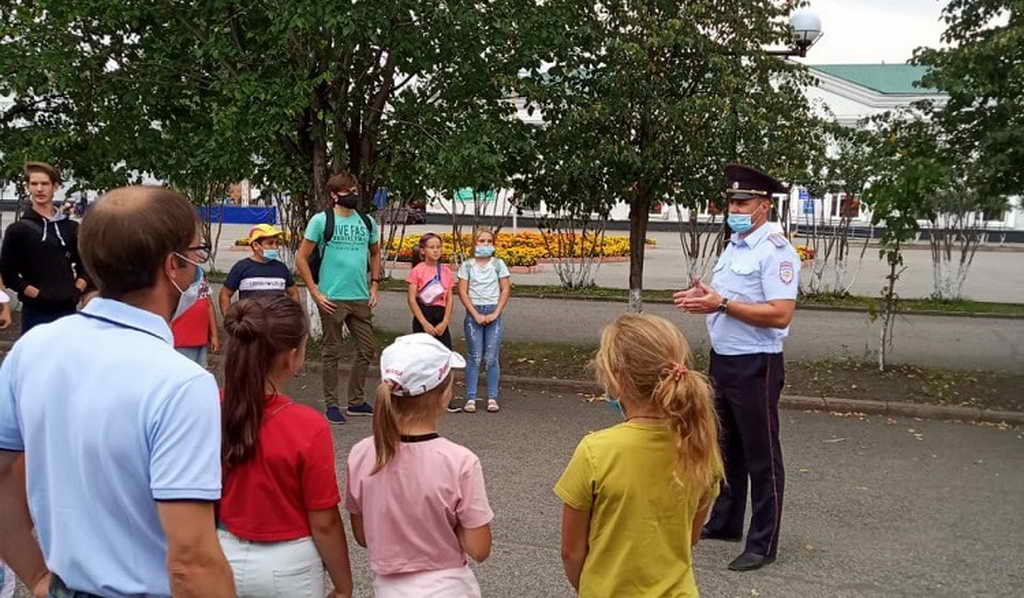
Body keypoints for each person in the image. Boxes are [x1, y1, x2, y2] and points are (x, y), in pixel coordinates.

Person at [0, 186, 234, 598]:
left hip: (64, 586)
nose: (199, 263)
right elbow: (192, 560)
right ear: (172, 266)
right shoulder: (182, 383)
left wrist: (36, 574)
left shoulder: (33, 350)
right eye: (197, 252)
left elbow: (2, 474)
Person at [673, 163, 800, 572]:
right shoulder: (736, 245)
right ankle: (727, 521)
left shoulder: (775, 251)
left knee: (762, 455)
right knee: (726, 448)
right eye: (731, 202)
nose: (735, 208)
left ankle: (763, 542)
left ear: (764, 206)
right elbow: (726, 298)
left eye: (743, 202)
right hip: (723, 360)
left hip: (756, 366)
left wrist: (722, 304)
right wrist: (706, 297)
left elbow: (780, 314)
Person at [554, 313, 723, 597]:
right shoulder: (701, 448)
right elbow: (689, 538)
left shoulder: (596, 451)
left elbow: (571, 552)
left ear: (616, 379)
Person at [218, 296, 353, 598]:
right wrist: (344, 585)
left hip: (219, 550)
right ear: (292, 357)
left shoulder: (207, 407)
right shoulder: (308, 425)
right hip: (289, 563)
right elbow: (325, 520)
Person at [346, 334, 493, 597]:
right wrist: (448, 524)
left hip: (388, 589)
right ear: (444, 395)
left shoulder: (362, 454)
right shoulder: (460, 462)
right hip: (449, 587)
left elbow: (363, 536)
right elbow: (480, 548)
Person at [295, 172, 381, 426]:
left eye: (354, 189)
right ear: (334, 195)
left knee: (367, 348)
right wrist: (315, 292)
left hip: (360, 296)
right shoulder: (322, 221)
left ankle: (356, 402)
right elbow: (301, 258)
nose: (352, 194)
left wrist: (375, 285)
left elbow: (375, 254)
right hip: (332, 297)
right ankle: (332, 404)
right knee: (331, 352)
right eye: (347, 191)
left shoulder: (367, 222)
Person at [0, 162, 90, 336]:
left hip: (68, 311)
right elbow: (7, 272)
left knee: (66, 360)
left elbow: (85, 265)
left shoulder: (71, 228)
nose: (39, 189)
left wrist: (76, 289)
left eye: (45, 184)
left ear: (55, 186)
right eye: (34, 184)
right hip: (35, 312)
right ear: (28, 187)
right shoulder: (18, 230)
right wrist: (36, 294)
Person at [456, 228, 511, 414]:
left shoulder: (498, 264)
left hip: (493, 311)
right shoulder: (467, 266)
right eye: (481, 241)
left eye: (489, 241)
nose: (485, 244)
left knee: (491, 357)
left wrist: (496, 312)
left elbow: (505, 289)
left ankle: (492, 397)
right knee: (474, 357)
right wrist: (474, 314)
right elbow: (462, 291)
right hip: (474, 313)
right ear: (475, 243)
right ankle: (471, 397)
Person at [219, 224, 299, 316]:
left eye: (277, 243)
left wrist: (292, 317)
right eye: (270, 243)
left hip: (277, 326)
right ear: (256, 245)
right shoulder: (241, 267)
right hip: (250, 326)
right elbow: (225, 294)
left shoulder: (282, 268)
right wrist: (229, 321)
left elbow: (294, 293)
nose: (275, 247)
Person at [405, 232, 455, 349]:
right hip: (423, 315)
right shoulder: (417, 271)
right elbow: (411, 299)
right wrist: (424, 323)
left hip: (440, 316)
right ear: (423, 251)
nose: (436, 250)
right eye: (432, 247)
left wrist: (445, 322)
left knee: (443, 352)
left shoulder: (446, 271)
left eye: (438, 247)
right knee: (423, 353)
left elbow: (449, 298)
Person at [172, 266, 219, 367]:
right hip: (180, 340)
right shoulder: (172, 274)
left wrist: (214, 335)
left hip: (200, 339)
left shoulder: (199, 272)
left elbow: (209, 305)